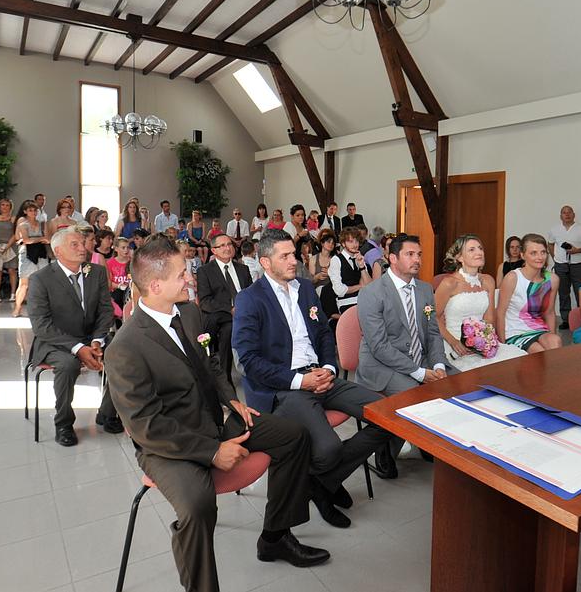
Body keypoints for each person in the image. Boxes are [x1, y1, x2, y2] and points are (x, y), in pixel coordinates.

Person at [104, 235, 330, 592]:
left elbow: (209, 364)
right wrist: (211, 452)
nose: (190, 280)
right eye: (183, 274)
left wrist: (231, 399)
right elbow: (146, 426)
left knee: (293, 437)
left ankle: (275, 536)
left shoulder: (190, 313)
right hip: (170, 443)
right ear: (156, 284)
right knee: (197, 505)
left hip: (216, 421)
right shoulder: (125, 347)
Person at [233, 228, 391, 529]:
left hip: (321, 375)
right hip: (284, 387)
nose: (295, 260)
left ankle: (321, 482)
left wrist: (330, 370)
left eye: (294, 253)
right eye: (286, 256)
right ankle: (325, 481)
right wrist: (299, 382)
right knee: (329, 449)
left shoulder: (305, 289)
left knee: (388, 415)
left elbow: (322, 335)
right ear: (266, 263)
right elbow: (249, 362)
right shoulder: (250, 299)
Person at [355, 233, 454, 469]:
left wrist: (438, 365)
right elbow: (379, 346)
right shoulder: (372, 293)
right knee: (415, 395)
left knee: (457, 384)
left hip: (420, 358)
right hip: (382, 365)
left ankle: (430, 442)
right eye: (410, 254)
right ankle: (385, 451)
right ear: (392, 258)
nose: (417, 259)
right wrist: (420, 372)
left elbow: (432, 332)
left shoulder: (425, 289)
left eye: (419, 254)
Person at [27, 227, 119, 446]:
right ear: (58, 251)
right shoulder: (41, 279)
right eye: (74, 244)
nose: (82, 248)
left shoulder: (94, 272)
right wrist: (78, 347)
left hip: (91, 337)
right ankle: (64, 423)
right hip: (55, 342)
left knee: (122, 352)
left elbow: (106, 310)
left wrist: (97, 340)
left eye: (82, 243)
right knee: (68, 365)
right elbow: (41, 325)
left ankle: (107, 412)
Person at [436, 235, 527, 369]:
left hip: (481, 340)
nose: (479, 252)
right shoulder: (449, 283)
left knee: (518, 362)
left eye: (480, 248)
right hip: (454, 342)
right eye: (471, 250)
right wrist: (453, 342)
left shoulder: (488, 280)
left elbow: (489, 318)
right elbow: (433, 316)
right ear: (460, 258)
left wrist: (486, 342)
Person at [196, 233, 253, 391]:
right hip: (219, 317)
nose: (227, 248)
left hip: (245, 315)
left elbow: (251, 295)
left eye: (229, 244)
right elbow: (206, 302)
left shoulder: (243, 269)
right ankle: (225, 380)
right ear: (213, 250)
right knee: (228, 328)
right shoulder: (205, 271)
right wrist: (230, 309)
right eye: (222, 245)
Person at [497, 233, 562, 353]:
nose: (540, 257)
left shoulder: (552, 280)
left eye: (543, 252)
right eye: (533, 253)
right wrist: (502, 346)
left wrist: (551, 335)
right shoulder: (512, 278)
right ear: (523, 255)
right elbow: (500, 313)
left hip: (538, 329)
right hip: (514, 331)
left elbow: (549, 313)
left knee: (555, 341)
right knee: (538, 351)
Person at [548, 205, 581, 329]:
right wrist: (555, 258)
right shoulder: (554, 229)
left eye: (569, 212)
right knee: (563, 293)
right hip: (561, 265)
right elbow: (550, 244)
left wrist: (577, 251)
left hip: (577, 265)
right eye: (564, 212)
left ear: (574, 214)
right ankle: (566, 320)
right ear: (560, 216)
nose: (567, 214)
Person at [12, 200, 49, 318]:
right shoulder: (23, 224)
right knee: (24, 283)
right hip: (27, 254)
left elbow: (47, 239)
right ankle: (17, 308)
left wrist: (35, 239)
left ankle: (42, 309)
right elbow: (26, 240)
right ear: (25, 212)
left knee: (43, 282)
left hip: (41, 253)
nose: (33, 212)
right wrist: (39, 239)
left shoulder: (42, 224)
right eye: (30, 210)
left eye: (35, 210)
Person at [327, 227, 370, 314]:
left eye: (356, 241)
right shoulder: (336, 260)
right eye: (350, 241)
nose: (355, 245)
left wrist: (362, 267)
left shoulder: (359, 258)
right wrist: (360, 286)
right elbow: (339, 290)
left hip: (363, 301)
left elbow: (369, 285)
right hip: (346, 303)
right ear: (343, 243)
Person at [0, 199, 18, 303]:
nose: (5, 207)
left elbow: (15, 234)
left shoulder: (13, 219)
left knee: (12, 270)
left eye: (7, 205)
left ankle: (13, 293)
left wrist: (8, 246)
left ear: (10, 207)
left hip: (10, 246)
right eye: (2, 205)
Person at [308, 229, 339, 320]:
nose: (331, 244)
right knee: (321, 290)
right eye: (328, 242)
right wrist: (317, 277)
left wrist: (330, 274)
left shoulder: (336, 258)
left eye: (333, 243)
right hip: (319, 289)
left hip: (333, 288)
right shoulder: (314, 259)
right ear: (322, 243)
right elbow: (310, 281)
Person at [107, 237, 132, 321]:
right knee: (118, 296)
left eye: (128, 247)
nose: (126, 250)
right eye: (123, 247)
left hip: (130, 290)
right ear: (116, 249)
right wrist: (119, 286)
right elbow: (109, 282)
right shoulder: (110, 263)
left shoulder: (132, 262)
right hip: (117, 291)